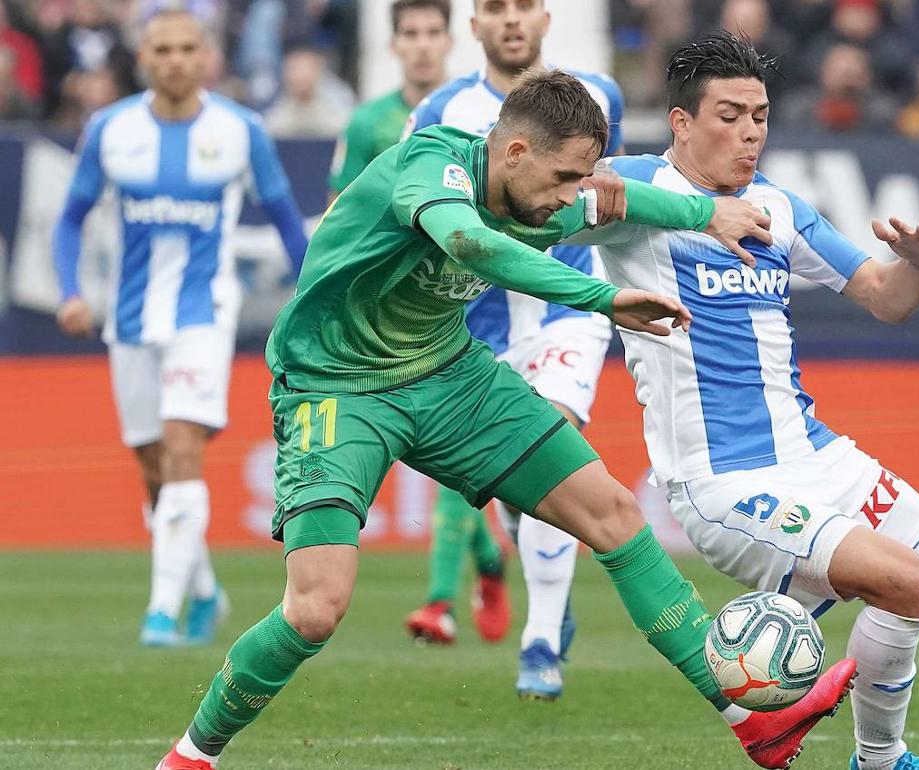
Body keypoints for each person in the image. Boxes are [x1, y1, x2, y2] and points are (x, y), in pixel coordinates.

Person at [153, 69, 857, 770]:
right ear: (514, 152)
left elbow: (612, 204)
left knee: (613, 514)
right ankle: (191, 756)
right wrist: (603, 298)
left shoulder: (540, 193)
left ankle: (753, 726)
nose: (565, 199)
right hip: (335, 389)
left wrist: (706, 214)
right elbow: (472, 246)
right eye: (561, 177)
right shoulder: (431, 163)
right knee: (315, 608)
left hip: (449, 374)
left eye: (577, 179)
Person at [593, 33, 919, 770]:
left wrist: (913, 266)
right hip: (724, 481)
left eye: (761, 114)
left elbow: (884, 298)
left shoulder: (778, 205)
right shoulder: (634, 191)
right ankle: (878, 761)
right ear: (680, 123)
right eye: (729, 114)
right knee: (900, 581)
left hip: (814, 455)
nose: (750, 131)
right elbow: (553, 195)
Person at [52, 9, 308, 647]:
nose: (173, 59)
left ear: (206, 56)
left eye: (186, 48)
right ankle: (203, 592)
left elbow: (283, 216)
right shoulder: (110, 130)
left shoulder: (240, 130)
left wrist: (313, 294)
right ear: (143, 58)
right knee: (153, 465)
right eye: (161, 48)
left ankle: (160, 612)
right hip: (132, 318)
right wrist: (70, 292)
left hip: (204, 312)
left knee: (182, 444)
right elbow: (68, 220)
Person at [401, 0, 624, 702]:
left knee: (553, 449)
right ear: (475, 25)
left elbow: (613, 188)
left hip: (565, 307)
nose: (511, 19)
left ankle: (539, 644)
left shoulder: (597, 96)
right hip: (475, 327)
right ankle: (539, 582)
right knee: (520, 497)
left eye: (524, 5)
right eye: (495, 7)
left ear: (546, 17)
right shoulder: (440, 110)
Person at [327, 0, 452, 202]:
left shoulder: (476, 113)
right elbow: (339, 206)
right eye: (410, 34)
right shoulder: (365, 121)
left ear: (449, 42)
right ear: (393, 45)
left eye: (434, 32)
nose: (423, 46)